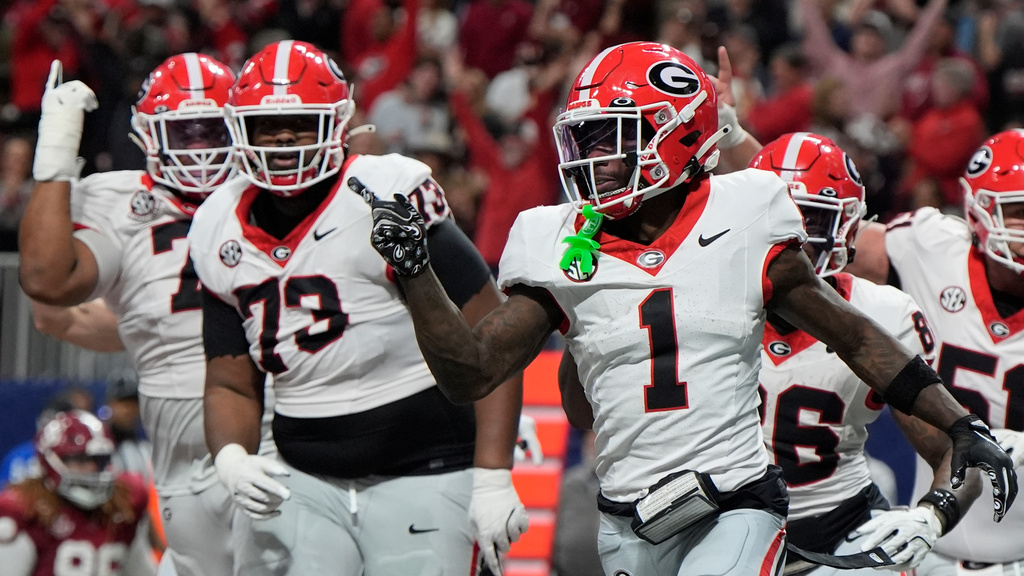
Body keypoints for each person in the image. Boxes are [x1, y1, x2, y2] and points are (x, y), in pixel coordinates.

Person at [359, 41, 1018, 575]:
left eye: (612, 138)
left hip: (739, 498)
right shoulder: (556, 240)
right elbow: (471, 372)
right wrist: (416, 275)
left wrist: (959, 423)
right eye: (587, 139)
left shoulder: (744, 213)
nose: (595, 159)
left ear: (674, 139)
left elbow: (849, 332)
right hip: (630, 511)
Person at [186, 40, 527, 576]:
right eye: (266, 125)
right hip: (301, 474)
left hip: (428, 464)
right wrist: (231, 455)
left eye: (300, 122)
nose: (282, 138)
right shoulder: (215, 223)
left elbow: (492, 334)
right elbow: (230, 381)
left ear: (337, 122)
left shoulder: (386, 191)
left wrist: (492, 475)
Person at [18, 54, 245, 576]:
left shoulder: (271, 194)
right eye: (183, 134)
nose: (199, 150)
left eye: (212, 132)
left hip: (284, 407)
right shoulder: (120, 201)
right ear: (147, 135)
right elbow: (53, 296)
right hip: (183, 424)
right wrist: (54, 162)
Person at [749, 132, 982, 574]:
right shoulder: (704, 296)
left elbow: (957, 444)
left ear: (846, 229)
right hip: (719, 524)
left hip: (840, 529)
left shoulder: (885, 314)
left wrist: (932, 515)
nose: (791, 239)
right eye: (776, 218)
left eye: (811, 221)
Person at [845, 128, 1024, 574]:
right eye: (1021, 211)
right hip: (930, 546)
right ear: (979, 212)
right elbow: (818, 228)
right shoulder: (931, 248)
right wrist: (733, 138)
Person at [0, 410, 149, 576]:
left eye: (98, 460)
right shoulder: (27, 509)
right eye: (79, 460)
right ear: (49, 461)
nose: (91, 468)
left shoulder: (123, 504)